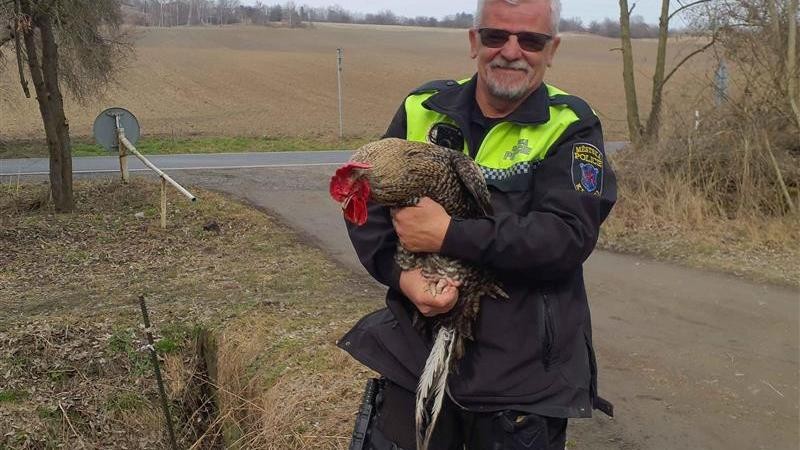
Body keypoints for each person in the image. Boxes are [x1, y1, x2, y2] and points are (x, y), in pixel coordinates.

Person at [337, 0, 617, 448]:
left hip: (520, 385)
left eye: (531, 40)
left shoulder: (571, 126)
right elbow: (364, 201)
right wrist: (402, 276)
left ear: (552, 49)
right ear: (474, 41)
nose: (511, 51)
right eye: (495, 36)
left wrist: (449, 234)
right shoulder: (423, 108)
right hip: (415, 363)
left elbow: (566, 236)